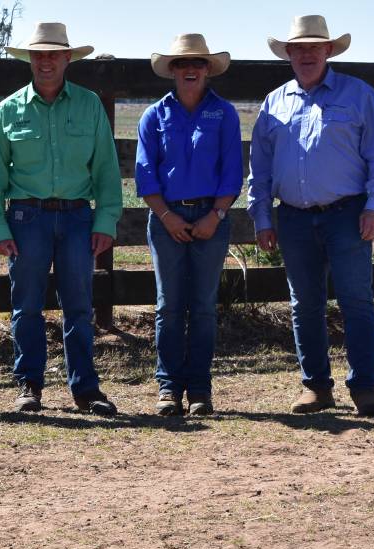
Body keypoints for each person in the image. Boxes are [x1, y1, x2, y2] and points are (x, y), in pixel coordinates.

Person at [246, 15, 374, 417]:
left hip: (347, 214)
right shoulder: (274, 103)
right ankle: (316, 386)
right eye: (299, 48)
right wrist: (261, 216)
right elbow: (259, 167)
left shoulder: (359, 95)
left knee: (357, 302)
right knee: (304, 304)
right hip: (293, 218)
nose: (307, 53)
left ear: (329, 50)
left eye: (315, 46)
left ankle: (364, 387)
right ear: (289, 55)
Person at [0, 22, 122, 416]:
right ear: (30, 59)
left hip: (77, 217)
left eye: (53, 54)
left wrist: (105, 221)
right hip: (26, 218)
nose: (46, 61)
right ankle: (29, 384)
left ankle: (86, 388)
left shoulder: (89, 105)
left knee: (79, 304)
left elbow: (107, 171)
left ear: (67, 59)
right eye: (39, 54)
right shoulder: (8, 110)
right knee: (25, 305)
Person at [135, 34, 242, 416]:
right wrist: (166, 216)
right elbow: (145, 174)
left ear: (208, 70)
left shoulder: (225, 114)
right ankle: (167, 388)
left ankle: (199, 389)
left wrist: (216, 216)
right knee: (168, 306)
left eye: (198, 63)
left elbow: (233, 172)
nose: (191, 69)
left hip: (212, 218)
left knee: (203, 306)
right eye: (183, 64)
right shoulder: (154, 115)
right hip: (167, 218)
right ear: (173, 71)